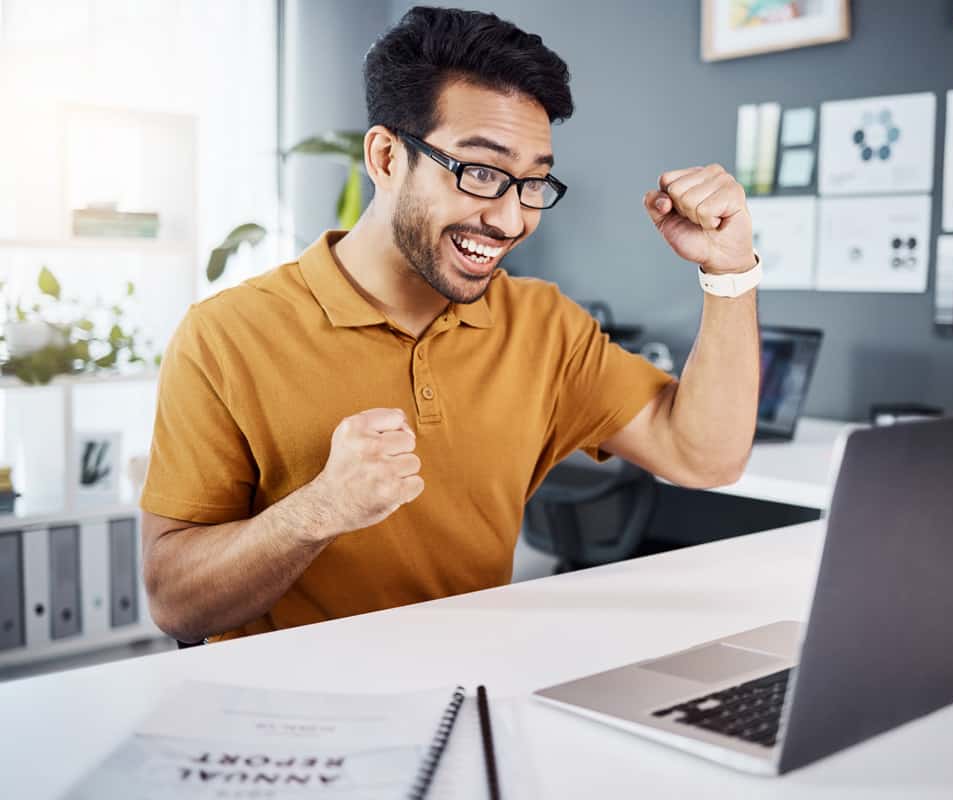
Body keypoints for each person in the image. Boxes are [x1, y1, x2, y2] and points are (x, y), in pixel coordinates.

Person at [139, 6, 761, 644]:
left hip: (471, 699)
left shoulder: (543, 325)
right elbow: (176, 603)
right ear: (386, 157)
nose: (511, 218)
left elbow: (705, 457)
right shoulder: (225, 335)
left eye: (534, 182)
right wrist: (317, 511)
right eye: (481, 172)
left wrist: (730, 268)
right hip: (284, 724)